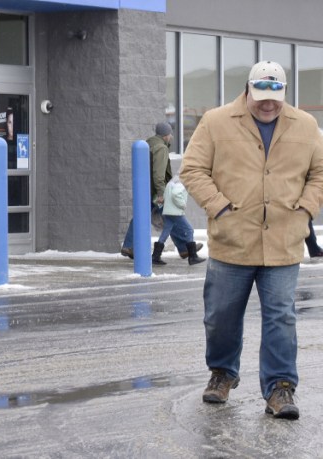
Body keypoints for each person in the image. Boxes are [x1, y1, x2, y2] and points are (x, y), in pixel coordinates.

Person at [180, 61, 323, 420]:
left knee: (281, 318)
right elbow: (192, 169)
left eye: (275, 97)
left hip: (284, 242)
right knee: (221, 317)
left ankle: (280, 388)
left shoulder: (306, 126)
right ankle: (223, 373)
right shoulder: (215, 121)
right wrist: (220, 208)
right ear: (248, 90)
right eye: (261, 97)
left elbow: (319, 174)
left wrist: (305, 210)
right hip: (232, 241)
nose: (268, 105)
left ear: (285, 93)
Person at [121, 122, 204, 260]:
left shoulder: (149, 145)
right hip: (156, 192)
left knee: (159, 217)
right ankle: (184, 248)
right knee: (173, 215)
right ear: (165, 135)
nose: (171, 137)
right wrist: (161, 193)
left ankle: (130, 246)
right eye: (170, 134)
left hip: (147, 189)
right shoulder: (161, 148)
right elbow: (158, 174)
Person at [153, 177, 203, 265]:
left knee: (165, 232)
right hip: (175, 212)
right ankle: (193, 257)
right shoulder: (182, 181)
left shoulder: (173, 181)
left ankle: (155, 256)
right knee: (189, 230)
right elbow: (176, 194)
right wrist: (182, 204)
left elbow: (166, 194)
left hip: (168, 211)